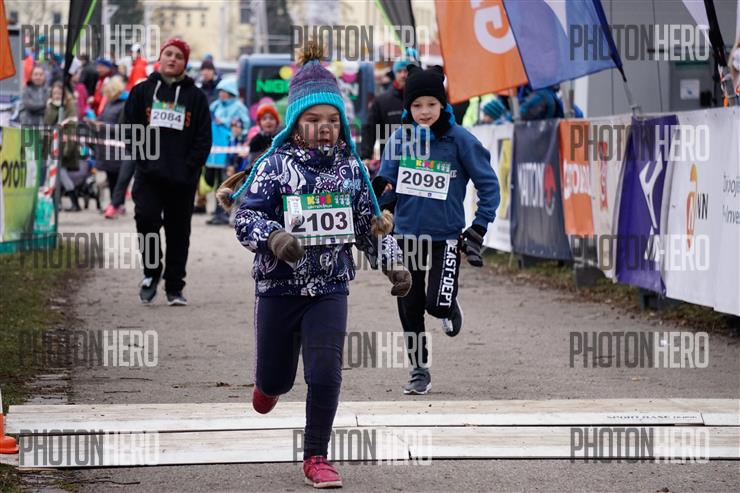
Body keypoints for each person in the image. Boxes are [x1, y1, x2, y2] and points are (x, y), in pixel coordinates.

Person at [216, 40, 411, 489]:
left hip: (329, 287)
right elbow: (245, 217)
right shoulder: (275, 166)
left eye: (332, 121)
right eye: (313, 120)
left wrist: (393, 264)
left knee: (325, 373)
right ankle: (267, 386)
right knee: (275, 379)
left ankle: (317, 456)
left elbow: (367, 226)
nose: (324, 128)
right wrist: (274, 238)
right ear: (295, 124)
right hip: (278, 289)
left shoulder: (351, 171)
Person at [375, 64, 500, 395]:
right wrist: (380, 200)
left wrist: (479, 226)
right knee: (410, 303)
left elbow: (489, 185)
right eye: (417, 105)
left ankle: (448, 305)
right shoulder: (400, 139)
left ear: (443, 104)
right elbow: (387, 181)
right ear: (408, 107)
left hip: (446, 236)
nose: (424, 112)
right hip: (407, 236)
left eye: (431, 104)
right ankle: (419, 369)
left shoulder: (460, 140)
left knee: (436, 305)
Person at [123, 37, 212, 306]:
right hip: (149, 175)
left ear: (185, 63)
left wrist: (189, 167)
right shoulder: (142, 91)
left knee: (178, 232)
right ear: (160, 58)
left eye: (179, 56)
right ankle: (151, 273)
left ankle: (175, 286)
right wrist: (145, 160)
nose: (173, 59)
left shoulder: (196, 97)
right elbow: (131, 129)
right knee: (146, 220)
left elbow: (203, 138)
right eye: (169, 54)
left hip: (182, 179)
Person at [204, 78, 249, 225]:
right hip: (214, 152)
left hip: (230, 152)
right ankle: (218, 212)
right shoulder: (215, 105)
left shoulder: (239, 107)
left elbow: (244, 127)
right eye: (220, 92)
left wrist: (226, 125)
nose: (221, 94)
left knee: (226, 182)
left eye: (224, 92)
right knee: (214, 181)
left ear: (230, 92)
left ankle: (224, 212)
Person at [360, 51, 414, 164]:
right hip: (390, 160)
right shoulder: (381, 101)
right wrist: (366, 156)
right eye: (399, 71)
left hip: (416, 160)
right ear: (394, 73)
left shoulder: (420, 100)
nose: (403, 75)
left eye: (406, 71)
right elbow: (370, 128)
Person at [44, 81, 83, 211]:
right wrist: (52, 107)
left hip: (64, 146)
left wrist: (67, 149)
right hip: (52, 146)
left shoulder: (70, 106)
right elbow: (48, 123)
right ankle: (58, 203)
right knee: (54, 176)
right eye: (54, 93)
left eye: (59, 93)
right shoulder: (50, 106)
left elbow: (72, 128)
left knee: (62, 174)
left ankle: (74, 203)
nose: (56, 95)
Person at [95, 76, 128, 218]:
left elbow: (123, 127)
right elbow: (103, 118)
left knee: (119, 177)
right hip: (107, 146)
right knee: (111, 176)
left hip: (118, 147)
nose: (106, 95)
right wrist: (95, 122)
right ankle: (114, 204)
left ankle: (117, 204)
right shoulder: (109, 104)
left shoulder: (124, 105)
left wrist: (104, 126)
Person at [246, 102, 281, 169]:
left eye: (271, 118)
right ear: (260, 123)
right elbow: (252, 162)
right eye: (264, 119)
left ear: (276, 121)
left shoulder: (282, 138)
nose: (268, 121)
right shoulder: (255, 140)